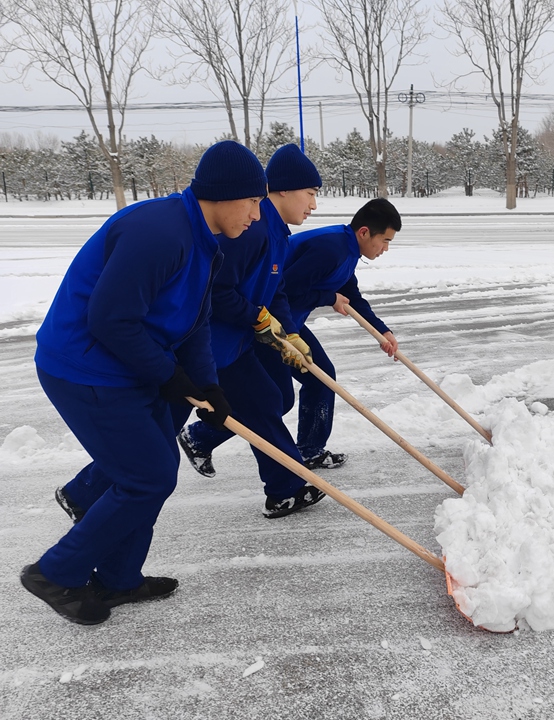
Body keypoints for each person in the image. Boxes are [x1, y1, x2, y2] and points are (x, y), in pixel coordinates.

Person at [23, 140, 265, 625]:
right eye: (254, 202)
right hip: (85, 367)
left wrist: (208, 385)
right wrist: (169, 376)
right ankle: (55, 572)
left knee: (148, 472)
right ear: (222, 195)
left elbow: (196, 320)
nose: (257, 216)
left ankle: (117, 579)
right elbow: (110, 319)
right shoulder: (160, 232)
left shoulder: (201, 241)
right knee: (147, 475)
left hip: (126, 364)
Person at [176, 144, 328, 519]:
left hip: (236, 344)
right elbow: (216, 289)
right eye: (310, 194)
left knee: (273, 400)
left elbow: (275, 291)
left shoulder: (277, 234)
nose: (313, 205)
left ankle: (203, 439)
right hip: (212, 346)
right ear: (284, 190)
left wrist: (290, 335)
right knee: (260, 405)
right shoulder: (253, 231)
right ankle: (285, 488)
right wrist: (256, 318)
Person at [277, 198, 401, 468]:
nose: (385, 249)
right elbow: (284, 288)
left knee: (321, 378)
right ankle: (201, 437)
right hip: (271, 326)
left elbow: (351, 295)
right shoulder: (331, 249)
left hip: (290, 324)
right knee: (272, 398)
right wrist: (328, 297)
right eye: (385, 240)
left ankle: (310, 450)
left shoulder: (347, 248)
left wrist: (382, 331)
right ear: (365, 232)